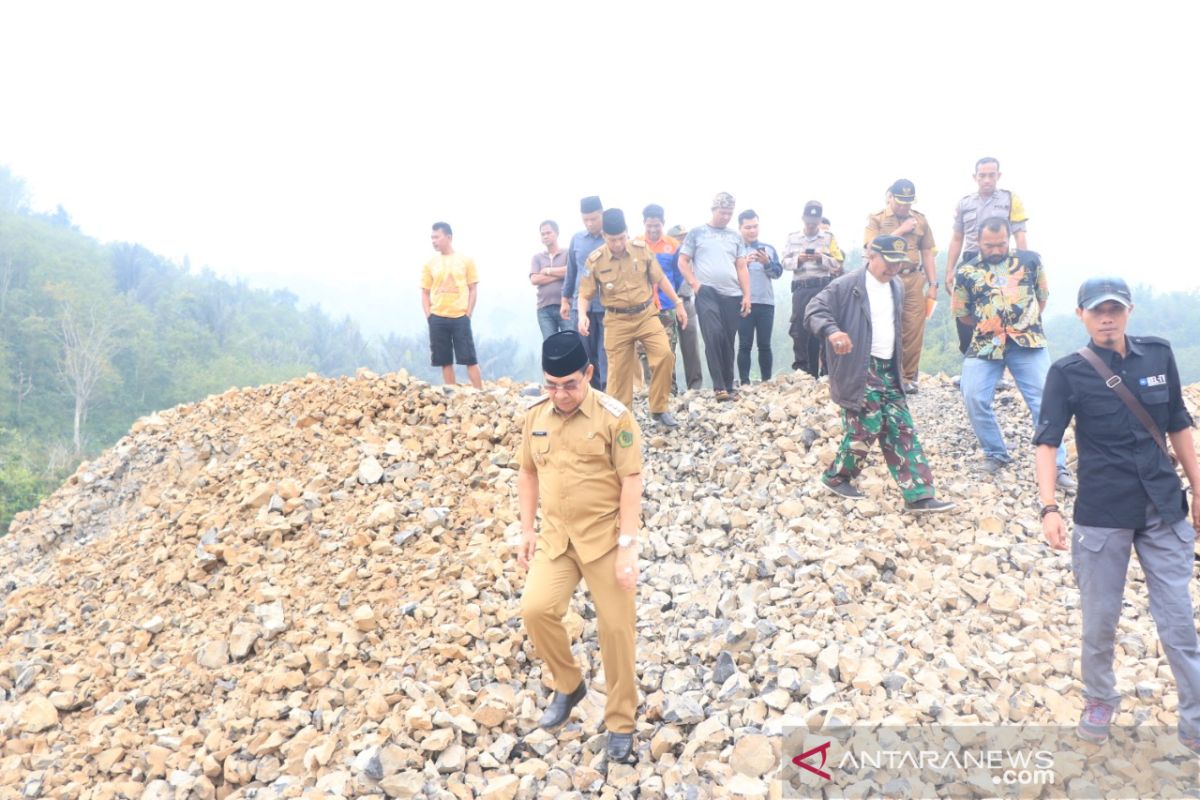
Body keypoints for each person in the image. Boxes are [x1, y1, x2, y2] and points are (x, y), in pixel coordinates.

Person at [1034, 276, 1200, 754]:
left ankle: (1193, 716)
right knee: (1100, 617)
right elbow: (1047, 441)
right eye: (1097, 310)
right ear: (1082, 315)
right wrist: (1049, 507)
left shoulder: (1158, 354)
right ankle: (1100, 698)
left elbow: (1178, 423)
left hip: (1164, 507)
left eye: (1115, 309)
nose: (1107, 318)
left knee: (1178, 620)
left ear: (1128, 311)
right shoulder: (1067, 372)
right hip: (1102, 510)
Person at [518, 330, 644, 763]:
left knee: (615, 629)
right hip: (556, 538)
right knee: (535, 610)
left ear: (589, 373)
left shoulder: (615, 418)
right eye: (551, 385)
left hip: (604, 538)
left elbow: (631, 480)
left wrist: (628, 546)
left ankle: (621, 722)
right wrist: (526, 529)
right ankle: (569, 684)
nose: (560, 394)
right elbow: (528, 473)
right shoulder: (535, 416)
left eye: (570, 384)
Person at [804, 235, 954, 514]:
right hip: (859, 366)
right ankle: (836, 477)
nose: (894, 268)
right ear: (871, 256)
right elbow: (814, 310)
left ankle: (919, 496)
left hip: (889, 368)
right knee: (867, 425)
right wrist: (833, 332)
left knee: (901, 426)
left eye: (899, 263)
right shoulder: (847, 285)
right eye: (888, 261)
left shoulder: (896, 286)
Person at [952, 217, 1074, 486]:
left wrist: (1022, 322)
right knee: (972, 395)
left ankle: (1057, 467)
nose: (995, 250)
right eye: (989, 245)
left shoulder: (1030, 261)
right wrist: (991, 325)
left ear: (1008, 238)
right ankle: (995, 453)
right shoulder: (967, 270)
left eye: (1000, 244)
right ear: (978, 242)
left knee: (1045, 401)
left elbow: (1042, 297)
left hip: (1027, 343)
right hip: (985, 344)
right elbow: (961, 313)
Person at [578, 209, 687, 428]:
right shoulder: (595, 260)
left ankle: (659, 409)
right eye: (612, 240)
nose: (617, 244)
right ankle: (621, 419)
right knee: (619, 374)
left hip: (646, 314)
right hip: (617, 321)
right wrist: (582, 316)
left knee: (664, 355)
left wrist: (678, 303)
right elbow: (584, 293)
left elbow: (661, 278)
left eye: (621, 238)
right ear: (604, 237)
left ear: (627, 233)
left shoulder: (641, 250)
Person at [944, 157, 1030, 354]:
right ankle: (969, 362)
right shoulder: (964, 203)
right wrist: (950, 270)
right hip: (970, 262)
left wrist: (1024, 268)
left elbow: (1020, 235)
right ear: (975, 177)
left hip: (999, 262)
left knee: (998, 313)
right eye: (982, 175)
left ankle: (996, 365)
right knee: (964, 314)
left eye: (991, 175)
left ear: (998, 176)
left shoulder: (1010, 200)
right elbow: (957, 238)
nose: (987, 180)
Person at [864, 179, 936, 394]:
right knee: (884, 324)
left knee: (913, 327)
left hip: (912, 277)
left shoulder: (920, 220)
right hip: (885, 278)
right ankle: (881, 374)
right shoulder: (876, 219)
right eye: (900, 202)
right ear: (890, 197)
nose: (904, 207)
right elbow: (870, 247)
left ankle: (907, 377)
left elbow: (927, 252)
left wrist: (933, 284)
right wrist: (901, 230)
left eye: (908, 202)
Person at [677, 192, 752, 401]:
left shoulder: (735, 237)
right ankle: (718, 386)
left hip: (732, 293)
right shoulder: (697, 233)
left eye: (729, 214)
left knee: (728, 338)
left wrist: (747, 295)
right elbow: (683, 261)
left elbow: (741, 266)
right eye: (722, 213)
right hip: (706, 291)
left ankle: (729, 385)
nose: (726, 217)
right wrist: (695, 284)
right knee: (713, 335)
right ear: (713, 210)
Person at [782, 200, 845, 378]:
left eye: (815, 222)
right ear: (803, 219)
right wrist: (799, 260)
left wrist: (821, 259)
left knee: (824, 326)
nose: (811, 225)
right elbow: (784, 263)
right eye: (809, 221)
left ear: (819, 220)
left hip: (822, 286)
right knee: (799, 329)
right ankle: (803, 371)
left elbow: (838, 263)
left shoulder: (828, 238)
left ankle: (827, 370)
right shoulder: (792, 238)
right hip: (801, 287)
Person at [420, 221, 482, 388]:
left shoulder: (465, 261)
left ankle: (480, 394)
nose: (434, 241)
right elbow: (425, 292)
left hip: (459, 316)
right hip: (437, 316)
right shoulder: (430, 264)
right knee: (444, 360)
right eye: (432, 237)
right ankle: (451, 394)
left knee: (469, 358)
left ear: (449, 237)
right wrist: (429, 316)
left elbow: (473, 288)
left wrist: (468, 313)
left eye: (437, 237)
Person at [560, 196, 608, 389]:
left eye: (593, 219)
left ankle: (607, 392)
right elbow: (571, 271)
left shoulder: (612, 238)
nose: (589, 223)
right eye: (585, 219)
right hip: (581, 307)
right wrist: (565, 299)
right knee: (586, 354)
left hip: (607, 306)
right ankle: (591, 393)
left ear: (602, 214)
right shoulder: (577, 239)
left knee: (605, 353)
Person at [637, 205, 685, 393]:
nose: (653, 230)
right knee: (644, 350)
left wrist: (673, 298)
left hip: (666, 306)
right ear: (644, 224)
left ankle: (669, 389)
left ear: (663, 223)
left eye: (656, 225)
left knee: (667, 349)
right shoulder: (636, 244)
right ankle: (652, 389)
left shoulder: (673, 246)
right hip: (643, 307)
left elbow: (678, 275)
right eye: (649, 226)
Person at [735, 209, 782, 385]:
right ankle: (745, 382)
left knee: (765, 344)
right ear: (740, 228)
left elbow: (778, 273)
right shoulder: (735, 249)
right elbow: (728, 275)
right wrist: (743, 264)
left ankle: (766, 381)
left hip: (766, 302)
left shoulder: (768, 248)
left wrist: (766, 263)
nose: (752, 230)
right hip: (743, 302)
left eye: (755, 226)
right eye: (748, 227)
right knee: (744, 344)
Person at [668, 224, 704, 391]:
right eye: (679, 238)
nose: (682, 241)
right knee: (667, 348)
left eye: (684, 237)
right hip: (666, 305)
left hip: (687, 301)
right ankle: (669, 387)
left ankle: (695, 386)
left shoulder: (692, 257)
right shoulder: (664, 256)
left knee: (691, 346)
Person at [531, 220, 571, 339]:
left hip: (566, 306)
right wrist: (560, 274)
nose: (545, 236)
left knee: (571, 343)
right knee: (551, 347)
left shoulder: (567, 253)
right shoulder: (537, 257)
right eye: (543, 234)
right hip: (544, 309)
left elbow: (570, 272)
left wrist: (548, 271)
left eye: (549, 233)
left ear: (557, 233)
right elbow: (534, 279)